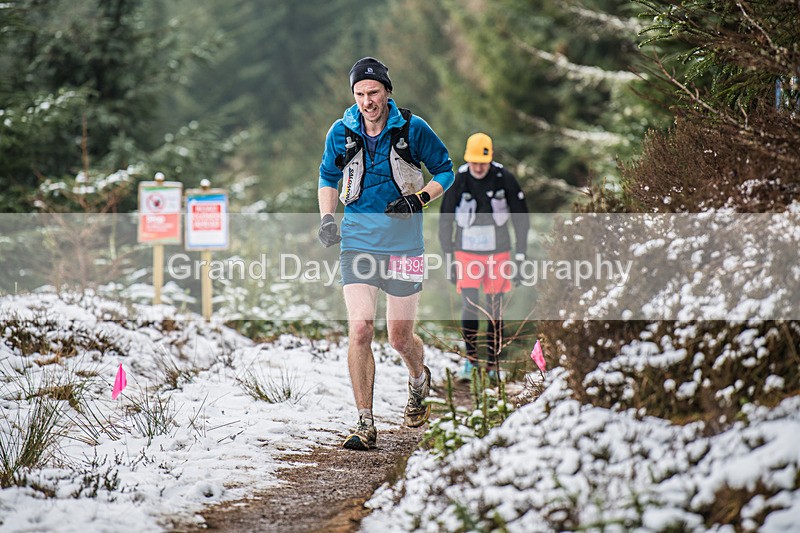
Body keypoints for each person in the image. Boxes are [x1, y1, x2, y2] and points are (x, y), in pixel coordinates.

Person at [317, 57, 454, 451]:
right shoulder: (341, 132)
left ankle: (418, 379)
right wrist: (328, 218)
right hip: (358, 241)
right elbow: (328, 175)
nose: (367, 101)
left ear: (387, 91)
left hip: (405, 244)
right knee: (360, 328)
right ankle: (364, 422)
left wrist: (420, 199)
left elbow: (446, 170)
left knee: (399, 337)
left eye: (373, 92)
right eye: (359, 94)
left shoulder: (413, 128)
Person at [438, 132, 529, 380]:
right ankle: (471, 361)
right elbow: (445, 220)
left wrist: (520, 255)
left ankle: (492, 364)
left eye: (483, 162)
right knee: (470, 305)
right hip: (466, 253)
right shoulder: (460, 180)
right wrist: (448, 256)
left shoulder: (503, 178)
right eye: (474, 162)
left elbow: (522, 219)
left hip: (498, 253)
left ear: (490, 159)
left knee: (494, 308)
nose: (478, 167)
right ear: (468, 159)